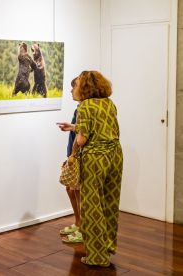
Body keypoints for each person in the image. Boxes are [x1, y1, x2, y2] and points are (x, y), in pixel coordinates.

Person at [74, 71, 123, 267]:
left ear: (83, 87)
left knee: (91, 207)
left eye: (77, 84)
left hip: (95, 158)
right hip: (115, 155)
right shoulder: (109, 103)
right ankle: (108, 247)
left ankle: (97, 257)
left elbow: (82, 139)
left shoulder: (85, 106)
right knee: (110, 203)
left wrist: (77, 132)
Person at [56, 77, 82, 243]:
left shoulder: (85, 109)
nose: (71, 91)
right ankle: (79, 222)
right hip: (73, 154)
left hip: (79, 155)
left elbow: (83, 134)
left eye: (74, 88)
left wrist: (73, 156)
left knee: (76, 190)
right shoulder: (78, 108)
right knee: (71, 189)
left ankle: (82, 228)